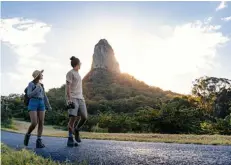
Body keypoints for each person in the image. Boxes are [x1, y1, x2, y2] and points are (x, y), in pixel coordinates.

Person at [24, 70, 52, 148]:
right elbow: (29, 95)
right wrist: (37, 88)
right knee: (34, 123)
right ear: (37, 75)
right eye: (41, 74)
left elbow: (45, 96)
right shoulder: (31, 84)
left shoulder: (42, 85)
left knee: (41, 122)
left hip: (41, 103)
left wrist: (48, 105)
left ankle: (39, 141)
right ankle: (28, 134)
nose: (42, 75)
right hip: (33, 102)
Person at [66, 56, 88, 147]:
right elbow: (68, 87)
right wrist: (70, 100)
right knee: (72, 119)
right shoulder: (70, 73)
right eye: (80, 63)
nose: (81, 65)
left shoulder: (78, 74)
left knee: (84, 117)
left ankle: (77, 130)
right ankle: (70, 139)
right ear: (78, 64)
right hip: (73, 98)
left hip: (80, 98)